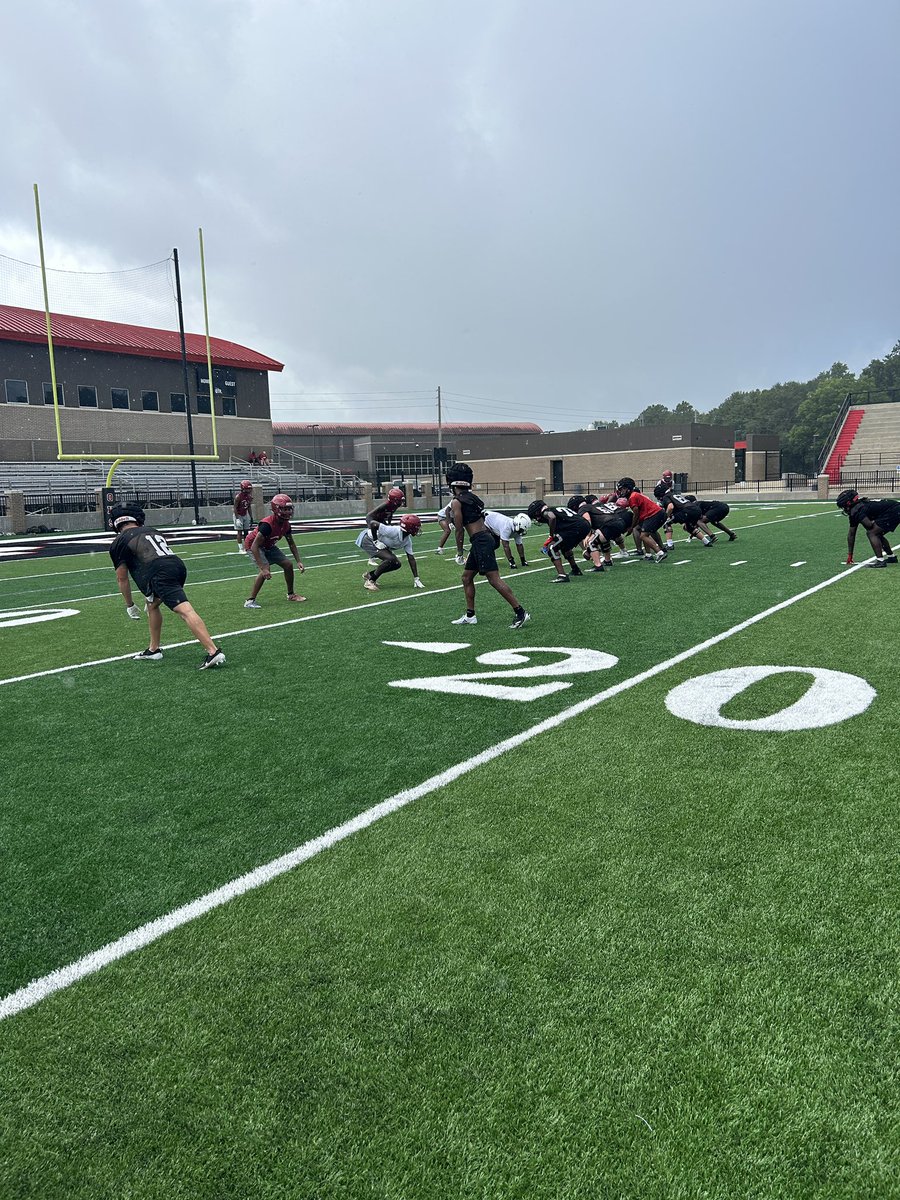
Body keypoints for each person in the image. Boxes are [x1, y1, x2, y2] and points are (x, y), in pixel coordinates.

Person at [108, 501, 225, 670]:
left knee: (185, 610)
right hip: (177, 566)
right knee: (152, 605)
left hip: (160, 573)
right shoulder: (152, 530)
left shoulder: (119, 541)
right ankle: (153, 649)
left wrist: (129, 604)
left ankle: (213, 651)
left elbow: (122, 578)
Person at [447, 463, 529, 628]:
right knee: (466, 577)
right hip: (485, 538)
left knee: (494, 579)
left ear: (453, 483)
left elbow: (459, 530)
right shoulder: (472, 498)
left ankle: (520, 612)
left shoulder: (457, 501)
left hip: (481, 540)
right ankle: (470, 615)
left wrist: (459, 552)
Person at [243, 493, 306, 607]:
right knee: (266, 569)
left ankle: (291, 595)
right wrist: (263, 568)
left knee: (288, 564)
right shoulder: (267, 525)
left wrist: (298, 561)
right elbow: (254, 546)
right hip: (254, 545)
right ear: (276, 509)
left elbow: (291, 543)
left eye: (289, 509)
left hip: (268, 544)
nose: (288, 512)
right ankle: (250, 601)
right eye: (284, 509)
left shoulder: (286, 525)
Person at [357, 513, 425, 590]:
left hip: (378, 542)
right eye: (416, 527)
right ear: (410, 527)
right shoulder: (393, 531)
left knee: (396, 564)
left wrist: (416, 578)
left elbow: (411, 558)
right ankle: (370, 581)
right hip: (368, 539)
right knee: (390, 559)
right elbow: (373, 524)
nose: (418, 529)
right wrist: (376, 541)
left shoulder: (407, 540)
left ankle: (370, 575)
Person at [526, 500, 589, 581]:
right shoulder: (555, 509)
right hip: (584, 525)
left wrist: (551, 535)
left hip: (575, 528)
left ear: (538, 511)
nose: (537, 519)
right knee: (564, 546)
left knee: (552, 547)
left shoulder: (546, 512)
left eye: (535, 516)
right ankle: (575, 569)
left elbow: (552, 517)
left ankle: (562, 575)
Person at [836, 488, 900, 566]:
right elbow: (851, 534)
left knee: (872, 533)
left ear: (849, 503)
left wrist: (873, 522)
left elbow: (869, 524)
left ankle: (880, 561)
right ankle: (891, 557)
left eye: (844, 506)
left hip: (894, 510)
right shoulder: (856, 509)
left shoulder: (857, 510)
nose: (844, 508)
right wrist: (850, 554)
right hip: (894, 509)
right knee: (877, 533)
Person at [616, 478, 668, 561]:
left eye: (622, 489)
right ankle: (648, 554)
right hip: (655, 514)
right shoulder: (635, 495)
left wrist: (631, 527)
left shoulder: (633, 497)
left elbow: (636, 514)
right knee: (641, 530)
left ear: (628, 488)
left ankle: (660, 553)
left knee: (643, 535)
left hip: (654, 514)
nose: (621, 491)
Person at [233, 479, 253, 552]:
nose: (249, 490)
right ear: (243, 488)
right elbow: (235, 508)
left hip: (245, 514)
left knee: (246, 532)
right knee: (239, 532)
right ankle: (240, 548)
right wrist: (237, 519)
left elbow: (249, 507)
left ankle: (246, 546)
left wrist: (251, 517)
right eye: (247, 488)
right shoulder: (238, 497)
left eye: (249, 488)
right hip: (238, 514)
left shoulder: (249, 497)